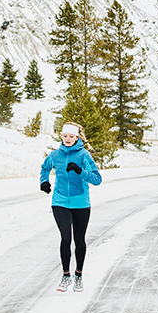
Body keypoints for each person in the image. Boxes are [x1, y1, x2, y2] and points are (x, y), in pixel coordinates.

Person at [40, 121, 102, 292]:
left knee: (79, 240)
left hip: (81, 202)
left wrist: (79, 170)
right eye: (65, 136)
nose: (68, 139)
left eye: (71, 136)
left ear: (77, 137)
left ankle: (79, 275)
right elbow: (44, 169)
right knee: (66, 238)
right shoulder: (55, 155)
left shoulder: (84, 156)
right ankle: (66, 275)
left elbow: (97, 179)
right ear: (62, 136)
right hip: (59, 201)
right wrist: (44, 181)